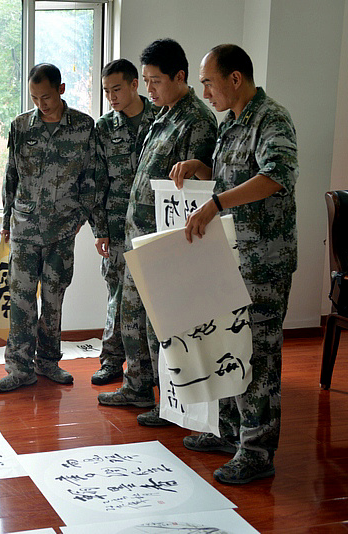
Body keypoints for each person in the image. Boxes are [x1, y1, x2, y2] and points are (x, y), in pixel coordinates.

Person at [171, 44, 298, 484]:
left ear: (235, 79)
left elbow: (275, 175)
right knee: (229, 344)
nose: (204, 90)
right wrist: (202, 170)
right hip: (231, 256)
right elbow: (231, 177)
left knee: (258, 355)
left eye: (208, 81)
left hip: (264, 260)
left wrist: (217, 202)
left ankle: (257, 451)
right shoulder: (232, 124)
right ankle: (228, 431)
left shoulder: (271, 119)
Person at [97, 39, 217, 427]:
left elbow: (198, 187)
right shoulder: (165, 114)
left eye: (154, 81)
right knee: (133, 317)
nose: (149, 89)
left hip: (166, 240)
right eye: (145, 81)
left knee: (162, 323)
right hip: (140, 234)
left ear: (179, 77)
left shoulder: (197, 120)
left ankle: (171, 401)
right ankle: (137, 385)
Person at [0, 63, 96, 393]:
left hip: (62, 231)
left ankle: (48, 362)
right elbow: (11, 176)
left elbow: (90, 178)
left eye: (47, 97)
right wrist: (7, 221)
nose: (42, 104)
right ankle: (19, 368)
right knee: (21, 299)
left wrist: (81, 218)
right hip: (24, 227)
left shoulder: (83, 126)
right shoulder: (21, 126)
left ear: (61, 90)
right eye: (35, 98)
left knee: (54, 298)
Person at [90, 59, 158, 386]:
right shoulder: (104, 127)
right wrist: (99, 229)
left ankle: (151, 369)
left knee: (153, 297)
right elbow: (96, 181)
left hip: (153, 227)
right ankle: (111, 362)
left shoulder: (160, 119)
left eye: (117, 89)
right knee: (116, 297)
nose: (112, 97)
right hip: (117, 228)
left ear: (135, 84)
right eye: (106, 91)